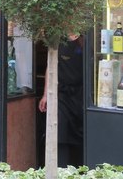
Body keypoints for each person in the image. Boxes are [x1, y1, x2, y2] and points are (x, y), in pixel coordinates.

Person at [38, 33, 84, 167]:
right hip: (60, 94)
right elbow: (50, 68)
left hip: (80, 96)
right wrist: (46, 95)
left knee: (79, 134)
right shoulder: (57, 40)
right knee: (61, 133)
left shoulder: (84, 41)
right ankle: (60, 168)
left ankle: (78, 168)